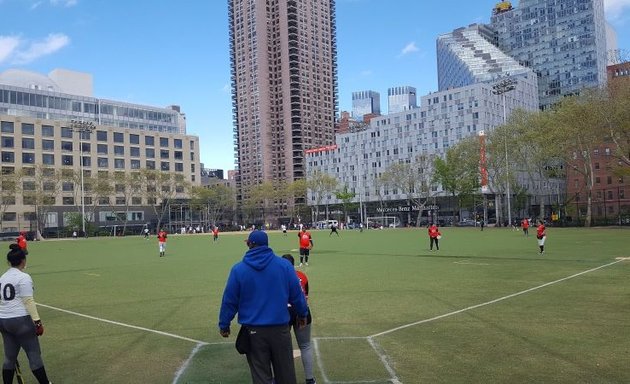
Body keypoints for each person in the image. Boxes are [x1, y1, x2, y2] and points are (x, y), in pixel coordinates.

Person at [219, 231, 308, 384]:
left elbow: (229, 300)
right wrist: (302, 314)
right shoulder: (284, 266)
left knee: (261, 376)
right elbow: (297, 294)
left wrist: (224, 324)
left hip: (253, 332)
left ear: (250, 244)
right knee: (286, 374)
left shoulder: (238, 269)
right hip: (280, 330)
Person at [0, 244, 53, 384]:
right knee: (34, 355)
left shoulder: (3, 277)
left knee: (9, 358)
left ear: (9, 262)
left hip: (3, 321)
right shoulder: (24, 277)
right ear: (23, 261)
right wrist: (37, 322)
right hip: (20, 321)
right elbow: (28, 300)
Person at [281, 254, 316, 384]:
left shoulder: (276, 277)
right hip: (302, 310)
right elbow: (305, 296)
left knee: (283, 348)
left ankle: (286, 379)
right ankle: (310, 379)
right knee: (305, 346)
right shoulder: (302, 276)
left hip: (284, 313)